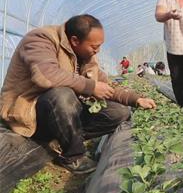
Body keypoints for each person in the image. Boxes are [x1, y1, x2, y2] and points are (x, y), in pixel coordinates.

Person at [0, 14, 157, 174]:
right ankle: (73, 156)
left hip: (62, 113)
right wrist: (90, 86)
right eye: (94, 47)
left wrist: (136, 99)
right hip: (31, 112)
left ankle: (65, 140)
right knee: (62, 95)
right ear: (75, 41)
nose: (98, 51)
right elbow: (46, 76)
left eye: (100, 46)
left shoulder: (85, 55)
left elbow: (105, 85)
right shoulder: (41, 39)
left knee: (118, 112)